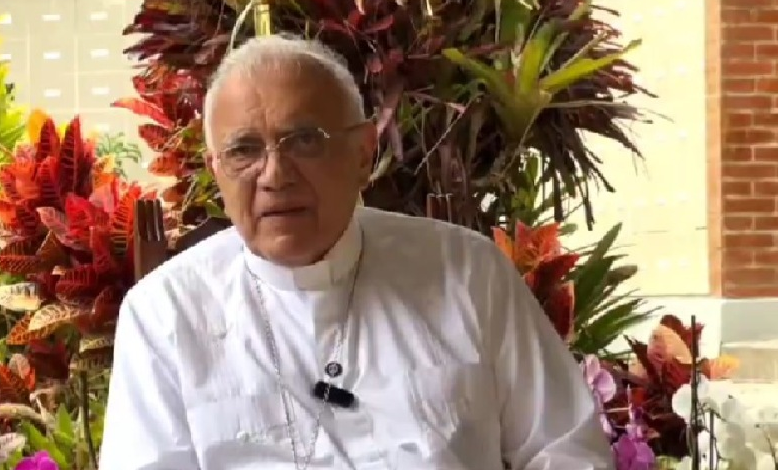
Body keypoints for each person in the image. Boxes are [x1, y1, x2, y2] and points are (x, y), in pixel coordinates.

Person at [99, 34, 614, 470]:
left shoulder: (467, 273)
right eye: (244, 150)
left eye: (304, 140)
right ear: (217, 170)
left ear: (363, 153)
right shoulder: (165, 313)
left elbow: (568, 449)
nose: (275, 175)